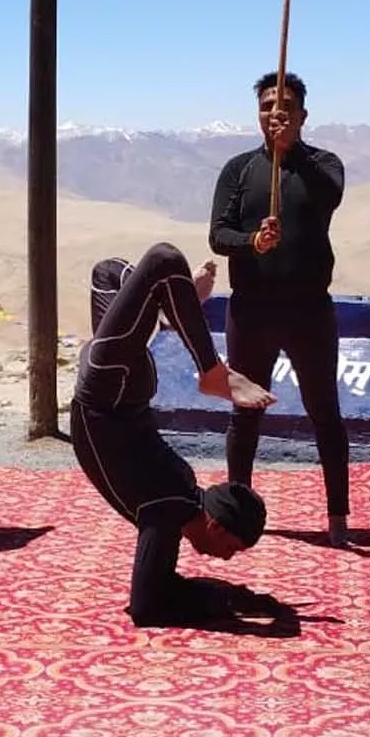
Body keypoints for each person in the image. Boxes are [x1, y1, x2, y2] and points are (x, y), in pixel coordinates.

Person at [71, 242, 281, 628]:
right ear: (216, 526)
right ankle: (211, 369)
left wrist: (234, 597)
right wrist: (233, 607)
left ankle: (172, 314)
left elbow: (160, 588)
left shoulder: (181, 492)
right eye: (230, 549)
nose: (225, 560)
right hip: (110, 389)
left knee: (114, 272)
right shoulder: (169, 512)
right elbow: (146, 608)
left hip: (125, 387)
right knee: (162, 263)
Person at [208, 71, 352, 546]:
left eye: (286, 105)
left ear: (303, 115)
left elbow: (328, 198)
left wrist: (292, 151)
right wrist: (253, 242)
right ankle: (236, 511)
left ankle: (337, 518)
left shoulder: (325, 166)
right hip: (251, 312)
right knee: (244, 414)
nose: (277, 113)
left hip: (309, 311)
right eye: (269, 105)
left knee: (323, 413)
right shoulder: (239, 170)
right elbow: (218, 235)